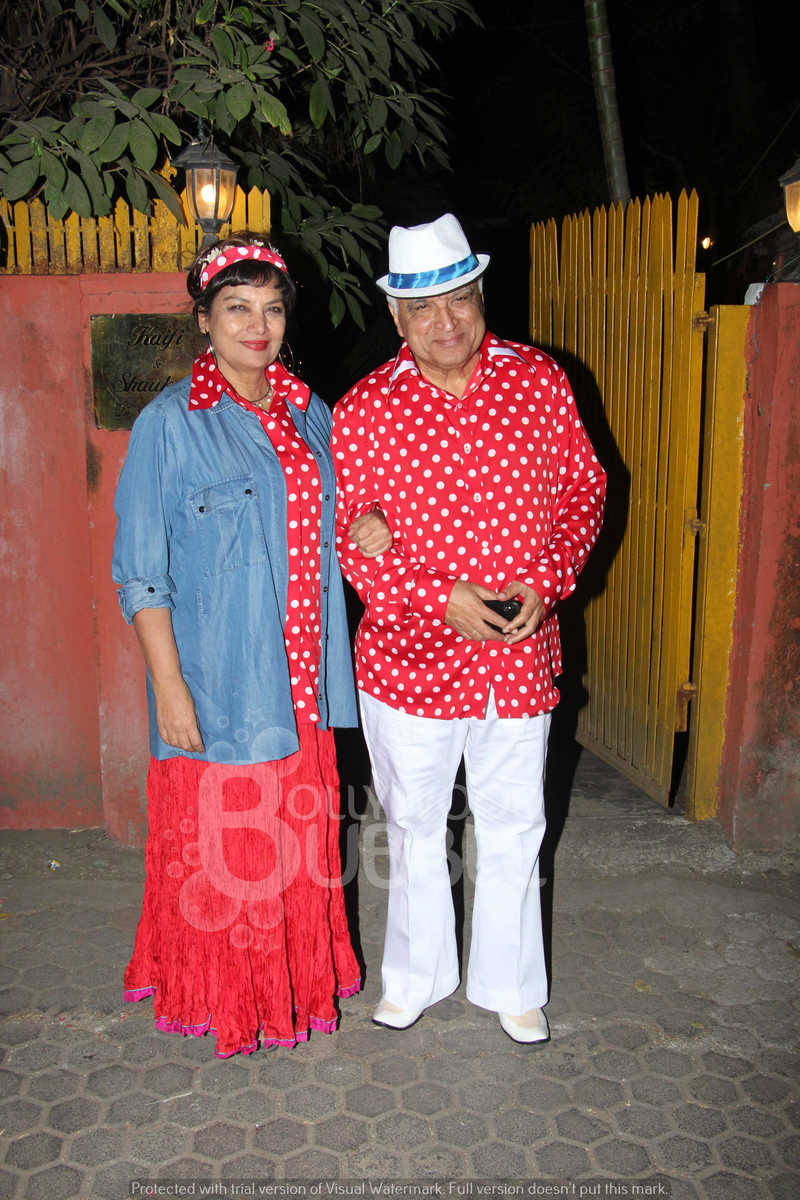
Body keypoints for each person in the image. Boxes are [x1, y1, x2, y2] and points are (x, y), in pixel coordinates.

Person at [112, 232, 390, 1058]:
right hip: (223, 680)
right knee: (231, 856)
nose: (257, 325)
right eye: (237, 308)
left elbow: (329, 524)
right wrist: (170, 688)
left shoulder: (311, 410)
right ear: (204, 320)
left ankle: (291, 987)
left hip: (304, 680)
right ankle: (230, 997)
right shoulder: (170, 424)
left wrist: (365, 526)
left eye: (271, 309)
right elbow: (141, 575)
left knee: (297, 849)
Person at [331, 213, 606, 1043]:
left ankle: (511, 984)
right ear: (397, 319)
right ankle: (415, 977)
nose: (445, 321)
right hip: (409, 664)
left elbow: (587, 493)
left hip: (519, 660)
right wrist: (433, 596)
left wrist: (548, 583)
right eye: (424, 308)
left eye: (458, 298)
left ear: (481, 295)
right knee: (415, 826)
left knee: (515, 822)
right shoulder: (366, 409)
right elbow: (349, 539)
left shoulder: (541, 383)